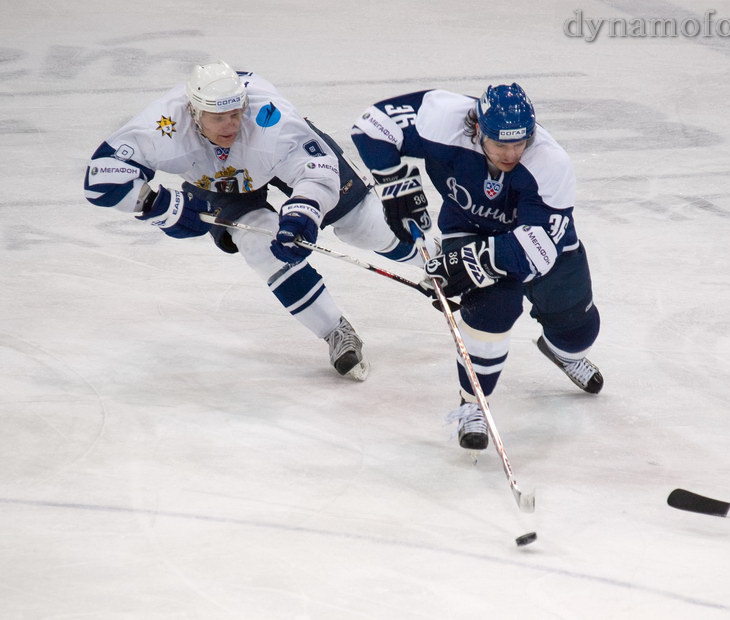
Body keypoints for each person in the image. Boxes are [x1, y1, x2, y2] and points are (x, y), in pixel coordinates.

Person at [83, 60, 434, 381]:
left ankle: (444, 267)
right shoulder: (162, 126)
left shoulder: (271, 120)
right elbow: (100, 178)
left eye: (235, 114)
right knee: (259, 243)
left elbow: (317, 172)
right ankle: (334, 330)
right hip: (215, 179)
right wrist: (161, 206)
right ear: (193, 112)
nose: (230, 125)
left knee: (365, 224)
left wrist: (304, 213)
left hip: (275, 160)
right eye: (218, 117)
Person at [351, 83, 603, 450]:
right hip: (470, 227)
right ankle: (474, 407)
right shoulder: (443, 118)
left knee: (580, 331)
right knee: (492, 310)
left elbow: (537, 252)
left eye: (521, 143)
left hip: (538, 245)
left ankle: (563, 353)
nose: (512, 153)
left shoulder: (551, 163)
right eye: (501, 144)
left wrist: (467, 264)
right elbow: (371, 126)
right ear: (477, 128)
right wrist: (393, 181)